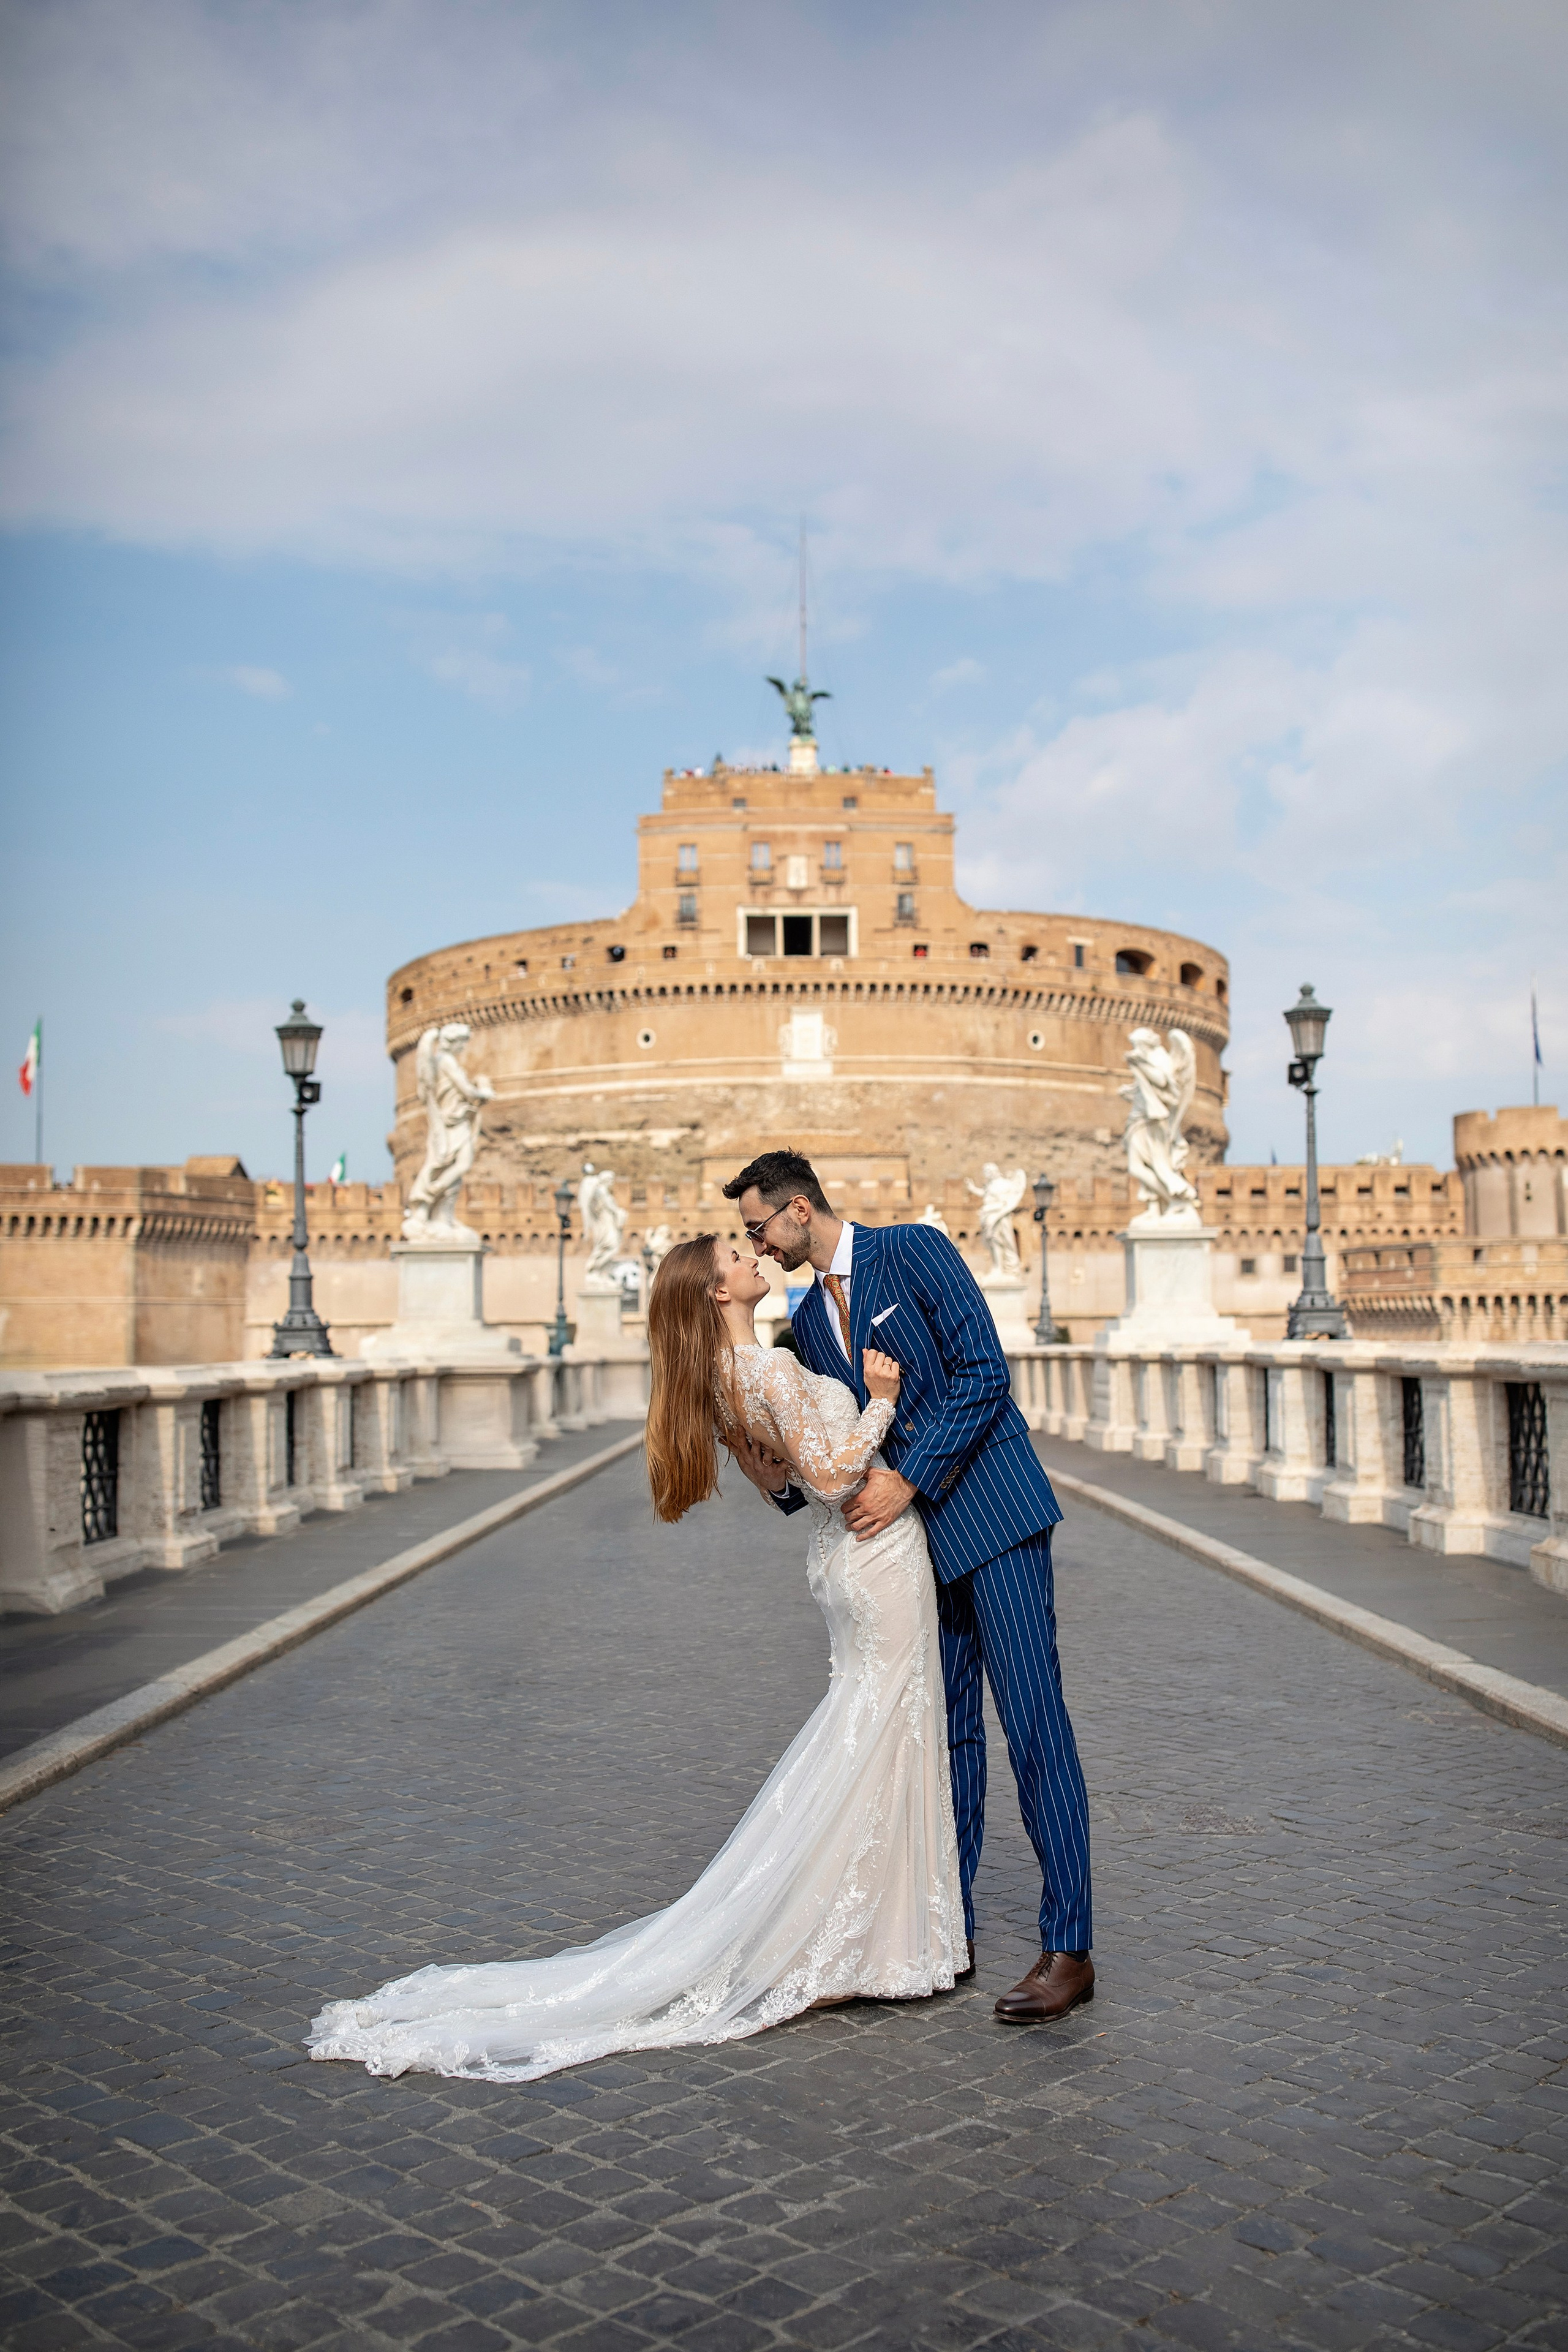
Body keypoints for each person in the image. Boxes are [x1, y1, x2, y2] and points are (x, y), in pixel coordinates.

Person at [306, 1234, 963, 2083]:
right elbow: (836, 1476)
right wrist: (879, 1399)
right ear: (717, 1293)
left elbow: (777, 1483)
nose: (753, 1257)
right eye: (737, 1253)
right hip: (873, 1554)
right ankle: (864, 1944)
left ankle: (869, 1938)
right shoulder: (758, 1371)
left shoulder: (727, 1384)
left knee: (869, 1733)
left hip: (842, 1565)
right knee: (884, 1733)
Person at [723, 1148, 1093, 2023]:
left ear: (800, 1211)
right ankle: (948, 1929)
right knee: (950, 1735)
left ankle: (1068, 1947)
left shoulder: (914, 1250)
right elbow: (838, 1453)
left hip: (995, 1516)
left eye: (759, 1228)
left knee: (1034, 1726)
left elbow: (982, 1375)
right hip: (918, 1549)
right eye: (747, 1238)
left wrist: (911, 1478)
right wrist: (762, 1465)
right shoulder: (810, 1326)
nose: (759, 1247)